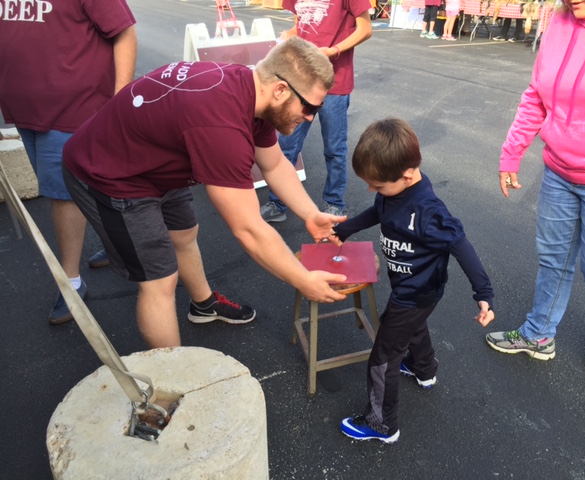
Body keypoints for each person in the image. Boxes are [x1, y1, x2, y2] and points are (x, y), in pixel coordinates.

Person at [62, 38, 350, 349]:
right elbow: (249, 230)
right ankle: (172, 382)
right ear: (281, 89)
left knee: (185, 234)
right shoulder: (221, 127)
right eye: (310, 107)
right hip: (109, 173)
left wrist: (309, 214)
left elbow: (274, 162)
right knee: (160, 280)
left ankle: (204, 304)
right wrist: (302, 280)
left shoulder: (254, 92)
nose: (311, 117)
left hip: (156, 159)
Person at [486, 0, 585, 375]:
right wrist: (511, 153)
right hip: (559, 171)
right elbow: (536, 94)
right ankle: (539, 334)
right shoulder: (561, 17)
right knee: (554, 260)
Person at [334, 118, 495, 443]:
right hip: (411, 293)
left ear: (407, 176)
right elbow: (378, 210)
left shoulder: (428, 211)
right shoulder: (395, 192)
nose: (372, 190)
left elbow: (461, 246)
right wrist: (345, 229)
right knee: (413, 327)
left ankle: (382, 424)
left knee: (381, 359)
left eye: (377, 185)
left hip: (416, 293)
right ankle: (424, 370)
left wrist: (484, 292)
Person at [0, 0, 137, 325]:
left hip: (75, 107)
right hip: (24, 109)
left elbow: (125, 32)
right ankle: (119, 245)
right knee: (83, 186)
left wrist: (119, 98)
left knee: (62, 195)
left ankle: (71, 281)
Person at [259, 0, 373, 223]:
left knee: (334, 149)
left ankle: (334, 205)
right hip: (299, 83)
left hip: (335, 83)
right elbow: (300, 27)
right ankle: (278, 203)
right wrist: (283, 39)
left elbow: (366, 29)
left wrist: (334, 50)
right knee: (286, 146)